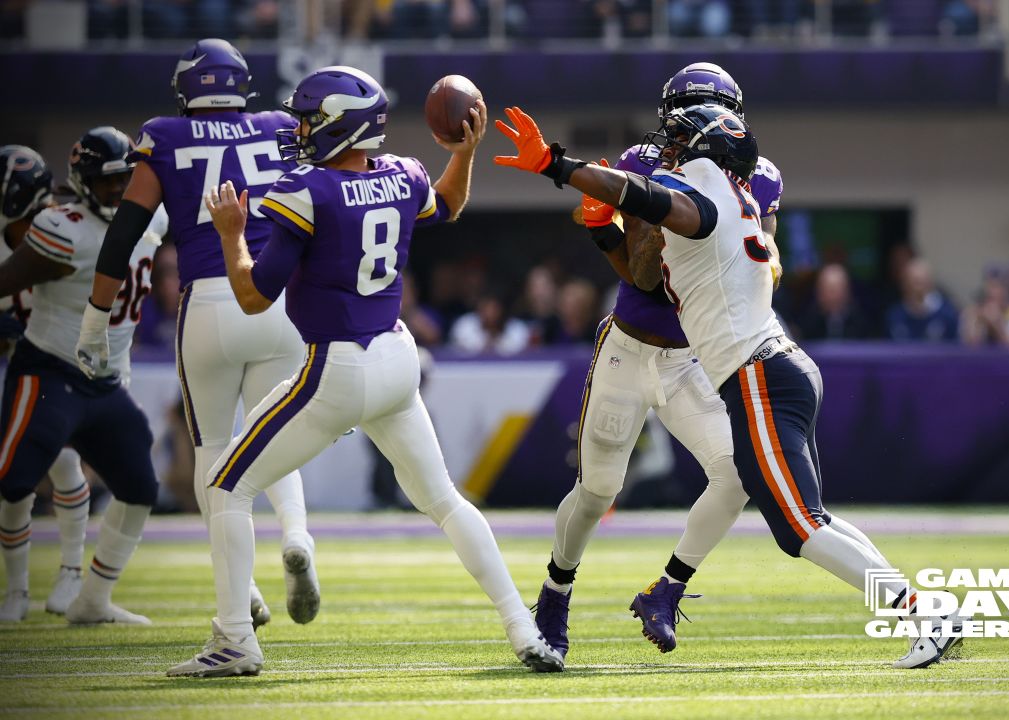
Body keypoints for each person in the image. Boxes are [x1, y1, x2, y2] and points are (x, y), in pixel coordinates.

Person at [496, 102, 962, 669]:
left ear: (705, 151)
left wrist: (554, 163)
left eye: (679, 138)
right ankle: (925, 608)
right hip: (771, 366)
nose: (666, 146)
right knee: (809, 517)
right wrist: (605, 218)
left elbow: (647, 199)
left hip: (755, 375)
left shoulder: (705, 195)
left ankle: (925, 613)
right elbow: (649, 246)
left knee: (799, 529)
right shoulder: (736, 196)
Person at [166, 66, 561, 677]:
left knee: (224, 485)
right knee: (446, 501)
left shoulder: (306, 192)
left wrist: (230, 236)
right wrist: (467, 152)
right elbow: (450, 204)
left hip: (337, 369)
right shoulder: (403, 175)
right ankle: (523, 627)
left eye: (305, 118)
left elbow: (251, 297)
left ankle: (235, 641)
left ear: (335, 124)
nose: (296, 129)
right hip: (398, 361)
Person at [530, 63, 782, 659]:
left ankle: (667, 590)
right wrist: (610, 238)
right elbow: (645, 277)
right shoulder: (645, 165)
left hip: (692, 359)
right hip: (630, 347)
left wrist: (754, 259)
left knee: (737, 474)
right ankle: (554, 592)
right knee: (597, 490)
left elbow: (768, 262)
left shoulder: (758, 177)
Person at [76, 39, 318, 629]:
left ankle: (245, 593)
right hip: (276, 298)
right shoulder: (280, 126)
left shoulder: (164, 134)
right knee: (276, 437)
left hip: (210, 300)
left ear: (187, 87)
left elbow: (125, 232)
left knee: (214, 452)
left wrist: (93, 321)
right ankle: (297, 534)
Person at [0, 127, 163, 625]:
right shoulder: (62, 226)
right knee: (14, 482)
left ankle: (91, 598)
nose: (117, 190)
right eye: (105, 181)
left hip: (107, 380)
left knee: (140, 486)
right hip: (50, 370)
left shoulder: (155, 214)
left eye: (123, 179)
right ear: (81, 181)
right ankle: (16, 592)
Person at [0, 145, 98, 620]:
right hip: (24, 361)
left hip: (62, 358)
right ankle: (17, 590)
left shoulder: (65, 227)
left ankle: (71, 572)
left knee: (63, 461)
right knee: (13, 476)